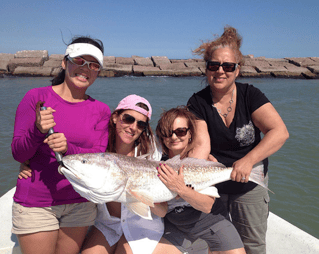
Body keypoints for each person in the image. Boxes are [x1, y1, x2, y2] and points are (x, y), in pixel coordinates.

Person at [185, 26, 289, 254]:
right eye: (214, 65)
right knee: (214, 242)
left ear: (237, 70)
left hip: (250, 183)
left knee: (252, 245)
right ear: (206, 69)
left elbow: (279, 132)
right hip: (213, 184)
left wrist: (248, 160)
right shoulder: (197, 102)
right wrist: (198, 164)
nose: (220, 71)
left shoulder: (250, 95)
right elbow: (202, 144)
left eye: (228, 66)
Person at [12, 36, 111, 254]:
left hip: (80, 203)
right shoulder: (35, 97)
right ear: (65, 62)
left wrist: (68, 150)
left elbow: (99, 156)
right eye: (79, 61)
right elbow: (19, 153)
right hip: (37, 202)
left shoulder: (102, 110)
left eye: (93, 65)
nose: (85, 69)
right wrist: (37, 131)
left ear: (98, 72)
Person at [154, 106, 246, 254]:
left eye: (180, 131)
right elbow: (162, 211)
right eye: (166, 133)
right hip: (176, 226)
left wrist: (181, 189)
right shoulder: (157, 162)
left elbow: (207, 206)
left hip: (211, 221)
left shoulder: (200, 161)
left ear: (190, 133)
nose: (173, 137)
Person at [81, 94, 166, 254]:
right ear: (115, 117)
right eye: (128, 119)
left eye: (141, 124)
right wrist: (28, 164)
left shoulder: (152, 152)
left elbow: (182, 147)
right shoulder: (98, 150)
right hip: (108, 223)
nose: (133, 127)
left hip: (141, 223)